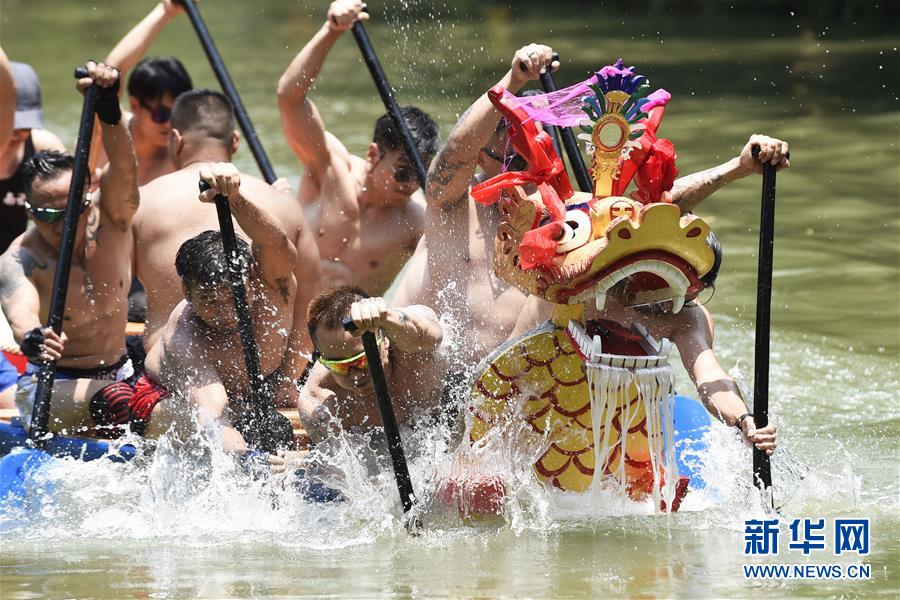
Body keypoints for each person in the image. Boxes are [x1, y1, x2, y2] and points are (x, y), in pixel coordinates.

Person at [133, 89, 322, 408]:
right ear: (234, 142)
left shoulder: (140, 203)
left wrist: (235, 198)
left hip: (262, 383)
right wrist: (289, 380)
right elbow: (311, 307)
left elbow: (104, 296)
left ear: (175, 139)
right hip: (180, 377)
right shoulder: (285, 206)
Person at [392, 44, 559, 371]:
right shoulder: (450, 201)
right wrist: (513, 81)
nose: (530, 175)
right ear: (481, 157)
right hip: (444, 387)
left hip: (523, 389)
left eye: (538, 157)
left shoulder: (565, 213)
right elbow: (456, 149)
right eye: (516, 161)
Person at [0, 62, 139, 432]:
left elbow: (124, 167)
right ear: (29, 212)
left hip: (120, 374)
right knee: (120, 402)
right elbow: (20, 316)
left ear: (88, 199)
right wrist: (33, 338)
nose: (62, 224)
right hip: (50, 387)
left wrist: (109, 108)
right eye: (47, 214)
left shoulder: (115, 224)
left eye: (72, 210)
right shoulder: (20, 259)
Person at [276, 0, 439, 295]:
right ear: (373, 154)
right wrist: (331, 31)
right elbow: (290, 98)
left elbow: (458, 269)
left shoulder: (418, 221)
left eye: (420, 174)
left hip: (351, 334)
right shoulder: (330, 165)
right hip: (292, 315)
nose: (412, 184)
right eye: (403, 172)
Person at [134, 163, 298, 452]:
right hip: (169, 398)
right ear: (187, 292)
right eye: (211, 301)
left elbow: (277, 244)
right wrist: (238, 450)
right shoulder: (184, 334)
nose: (227, 312)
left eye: (235, 297)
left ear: (253, 281)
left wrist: (234, 197)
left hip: (251, 394)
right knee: (228, 427)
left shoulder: (272, 286)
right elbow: (211, 407)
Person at [295, 287, 444, 448]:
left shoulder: (411, 346)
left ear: (385, 340)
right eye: (340, 366)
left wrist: (385, 317)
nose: (355, 376)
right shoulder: (318, 404)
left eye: (362, 360)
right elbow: (342, 469)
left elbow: (433, 334)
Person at [89, 0, 194, 186]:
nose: (170, 124)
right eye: (161, 114)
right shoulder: (108, 132)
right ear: (135, 105)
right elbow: (113, 70)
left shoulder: (184, 154)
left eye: (177, 115)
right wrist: (166, 11)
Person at [0, 56, 67, 253]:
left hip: (17, 258)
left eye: (24, 126)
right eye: (9, 125)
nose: (16, 134)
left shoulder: (43, 146)